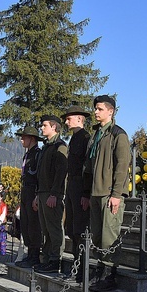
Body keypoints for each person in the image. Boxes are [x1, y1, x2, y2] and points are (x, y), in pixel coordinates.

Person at [82, 95, 129, 292]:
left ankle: (109, 274)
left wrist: (117, 194)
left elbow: (122, 166)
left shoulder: (118, 135)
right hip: (95, 192)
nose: (96, 112)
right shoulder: (96, 135)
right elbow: (89, 167)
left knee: (110, 235)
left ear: (111, 111)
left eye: (100, 109)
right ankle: (100, 269)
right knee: (98, 234)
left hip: (110, 193)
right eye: (95, 108)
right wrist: (86, 193)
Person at [34, 114, 68, 273]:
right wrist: (37, 195)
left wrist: (54, 194)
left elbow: (61, 173)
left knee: (54, 227)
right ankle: (46, 258)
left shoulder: (60, 146)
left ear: (54, 127)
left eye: (44, 125)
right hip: (42, 193)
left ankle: (55, 260)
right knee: (45, 228)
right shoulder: (46, 147)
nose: (42, 128)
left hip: (52, 194)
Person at [62, 105, 91, 279]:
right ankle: (76, 264)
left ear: (79, 119)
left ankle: (82, 268)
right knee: (72, 228)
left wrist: (86, 193)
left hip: (81, 186)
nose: (66, 121)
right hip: (72, 185)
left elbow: (87, 167)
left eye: (69, 118)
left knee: (80, 229)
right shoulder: (74, 138)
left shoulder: (85, 138)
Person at [15, 125, 43, 268]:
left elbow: (39, 176)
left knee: (33, 224)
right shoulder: (27, 155)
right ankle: (29, 253)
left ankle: (34, 254)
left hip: (33, 191)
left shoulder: (38, 154)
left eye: (24, 137)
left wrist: (37, 195)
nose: (21, 140)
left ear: (31, 139)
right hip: (25, 191)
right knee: (25, 224)